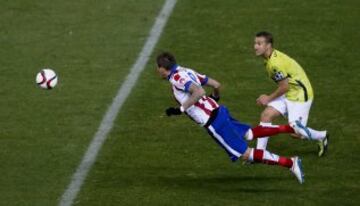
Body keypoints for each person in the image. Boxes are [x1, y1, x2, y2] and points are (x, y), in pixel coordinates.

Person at [155, 52, 325, 184]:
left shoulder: (176, 78)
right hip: (220, 111)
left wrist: (180, 109)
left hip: (213, 122)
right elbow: (215, 84)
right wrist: (215, 98)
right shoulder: (185, 70)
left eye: (158, 67)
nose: (157, 70)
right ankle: (291, 128)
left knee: (245, 154)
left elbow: (198, 92)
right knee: (249, 134)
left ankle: (290, 163)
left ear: (164, 68)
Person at [254, 31, 329, 156]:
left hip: (300, 95)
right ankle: (259, 154)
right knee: (266, 115)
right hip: (291, 91)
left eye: (259, 43)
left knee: (296, 132)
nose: (255, 46)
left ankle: (322, 136)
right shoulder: (270, 58)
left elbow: (284, 86)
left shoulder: (274, 64)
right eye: (255, 43)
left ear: (268, 45)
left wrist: (268, 98)